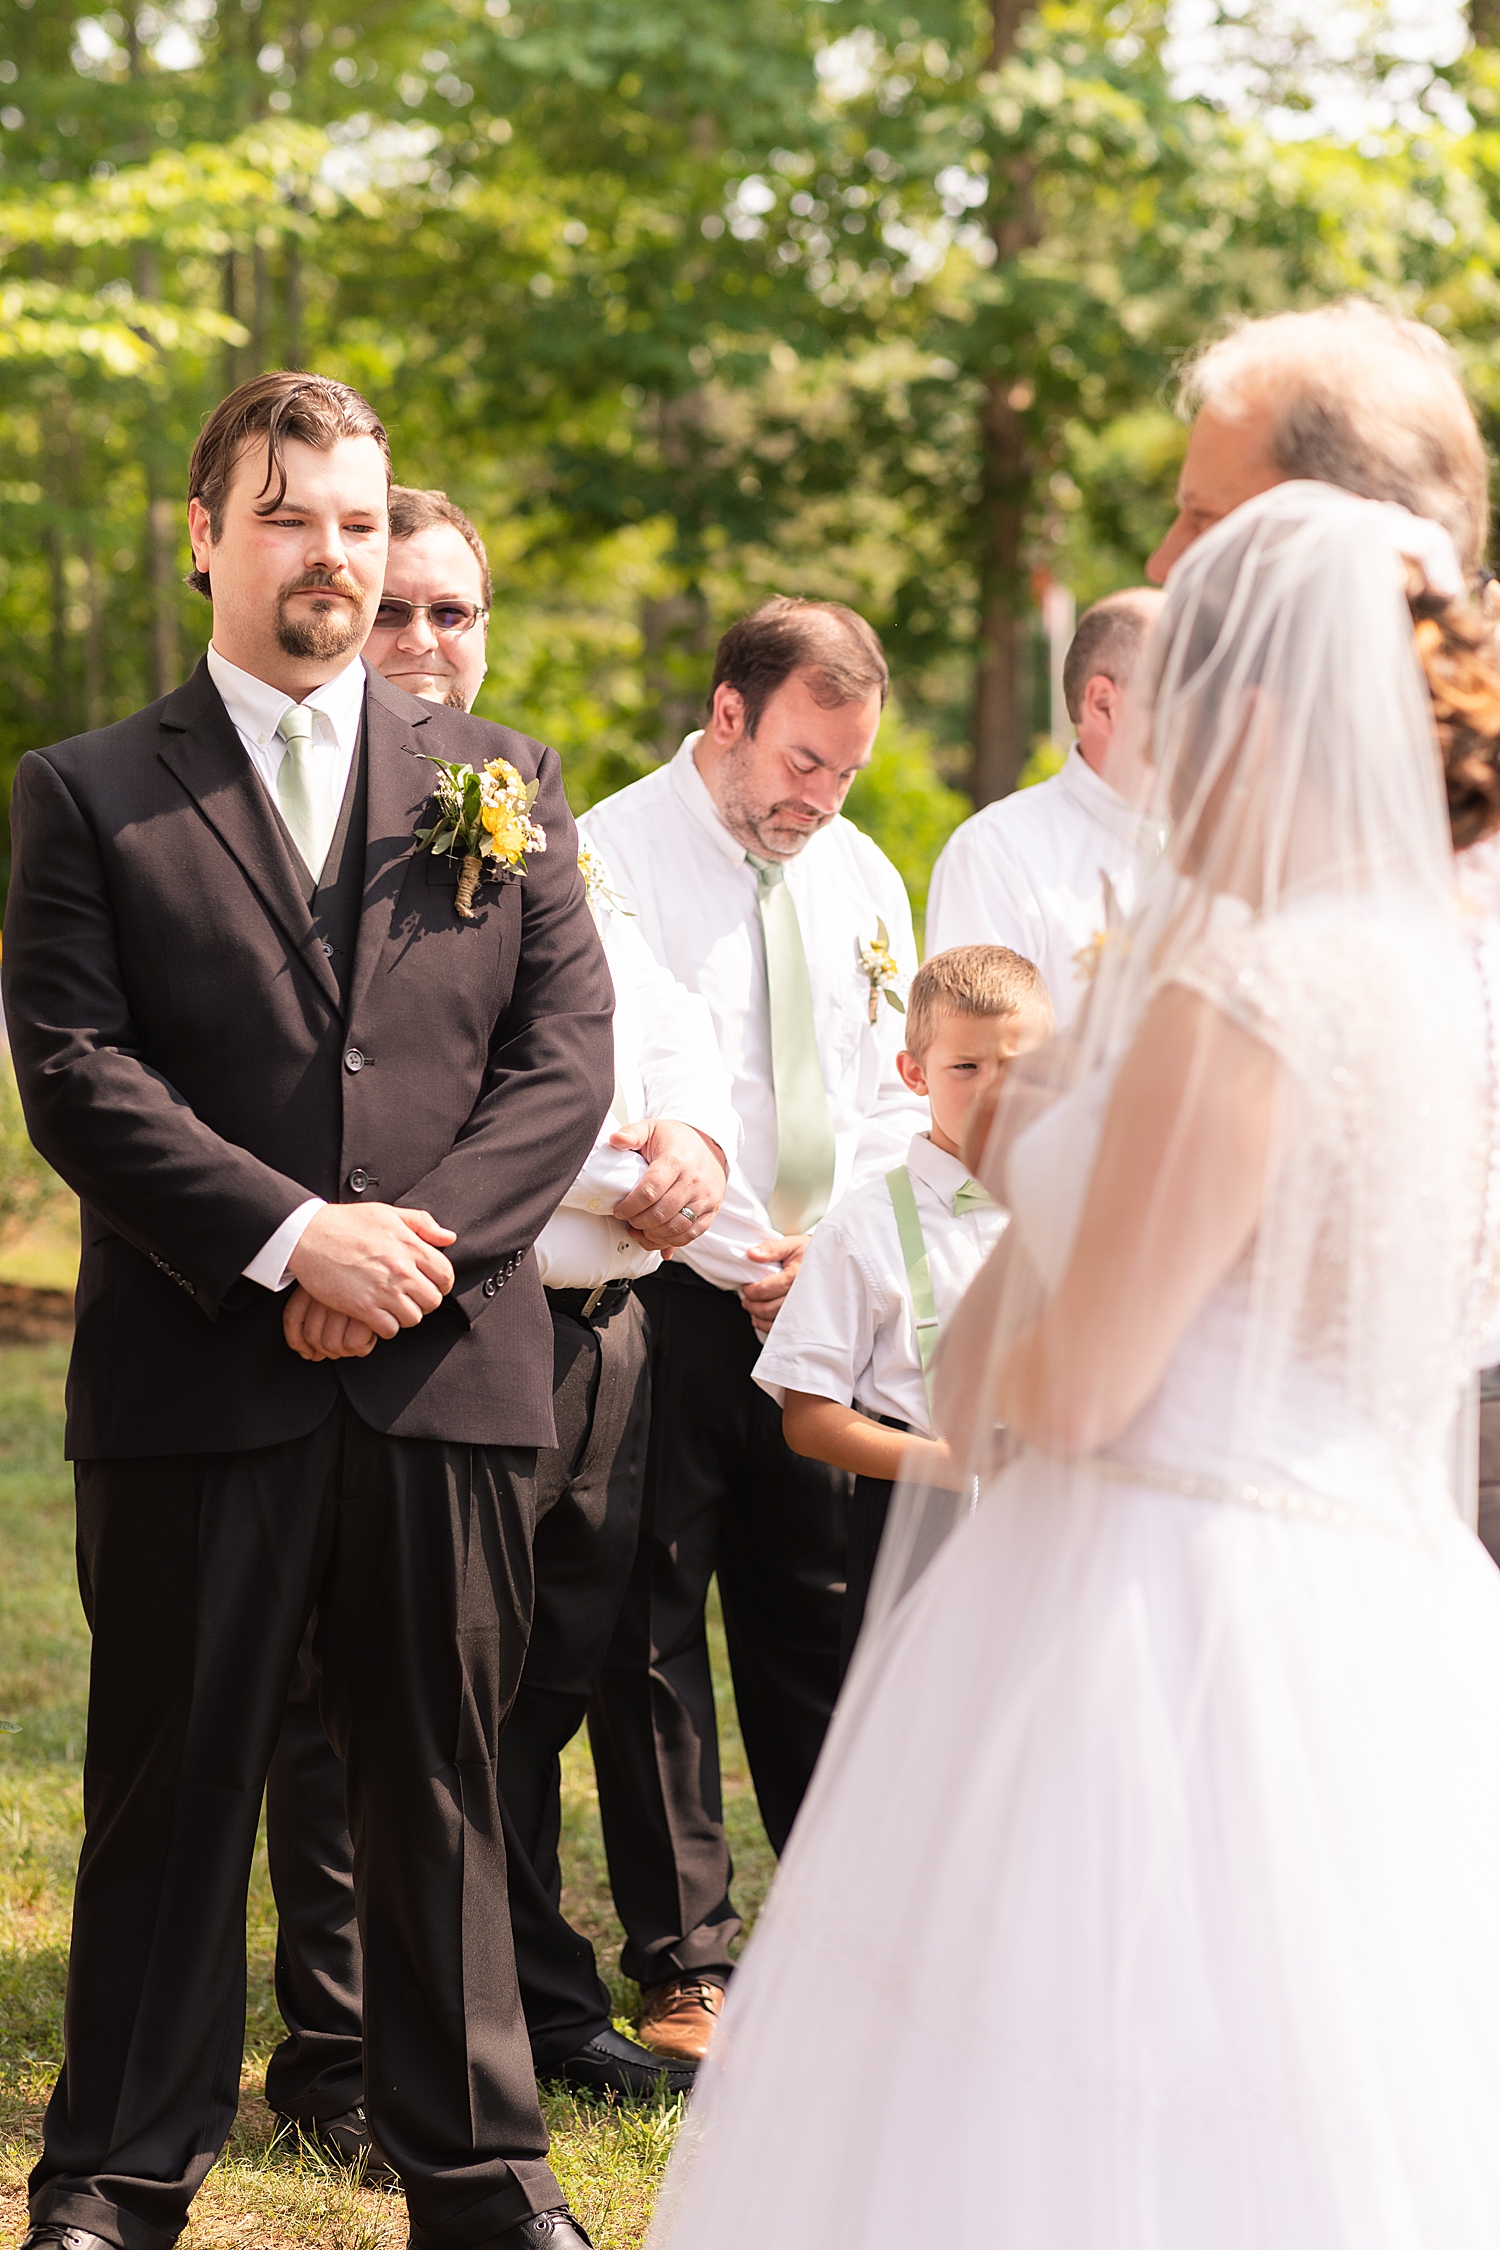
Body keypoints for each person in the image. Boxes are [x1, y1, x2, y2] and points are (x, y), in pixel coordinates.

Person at [645, 483, 1500, 2249]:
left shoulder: (1247, 988)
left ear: (1252, 717)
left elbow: (1062, 1382)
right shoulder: (1439, 976)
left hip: (1163, 1603)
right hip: (1388, 1596)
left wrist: (1033, 1160)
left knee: (1065, 2075)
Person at [3, 376, 615, 2250]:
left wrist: (401, 1246)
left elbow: (563, 1060)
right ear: (204, 534)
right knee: (171, 1786)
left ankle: (480, 2173)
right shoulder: (89, 789)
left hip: (444, 1373)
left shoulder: (500, 780)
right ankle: (116, 2172)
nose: (332, 556)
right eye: (287, 517)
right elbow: (76, 1068)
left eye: (355, 521)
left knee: (442, 1789)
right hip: (201, 1374)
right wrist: (290, 1242)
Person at [263, 484, 741, 2137]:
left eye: (451, 612)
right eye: (396, 608)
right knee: (360, 1712)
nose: (420, 641)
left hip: (591, 1339)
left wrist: (689, 1135)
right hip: (429, 1320)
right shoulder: (307, 825)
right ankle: (339, 2053)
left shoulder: (525, 800)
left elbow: (637, 1027)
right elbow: (405, 1096)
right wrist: (598, 1174)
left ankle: (517, 2005)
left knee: (524, 1702)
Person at [577, 598, 926, 2059]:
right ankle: (683, 1968)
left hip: (825, 1312)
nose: (818, 796)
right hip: (665, 1295)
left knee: (822, 1621)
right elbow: (611, 1089)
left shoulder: (862, 877)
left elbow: (898, 1098)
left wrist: (831, 1264)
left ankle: (850, 1943)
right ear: (728, 712)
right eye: (800, 759)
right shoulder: (606, 851)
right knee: (651, 1624)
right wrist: (742, 1255)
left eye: (842, 770)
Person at [753, 944, 1051, 1673]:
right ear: (914, 1073)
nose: (994, 1091)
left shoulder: (1082, 1208)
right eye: (966, 1068)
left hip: (1058, 1515)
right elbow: (808, 1416)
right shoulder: (864, 1225)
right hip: (919, 1520)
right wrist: (946, 1466)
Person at [925, 590, 1166, 1026]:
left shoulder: (1241, 842)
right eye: (1191, 692)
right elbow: (977, 1066)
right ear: (1104, 705)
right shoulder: (996, 853)